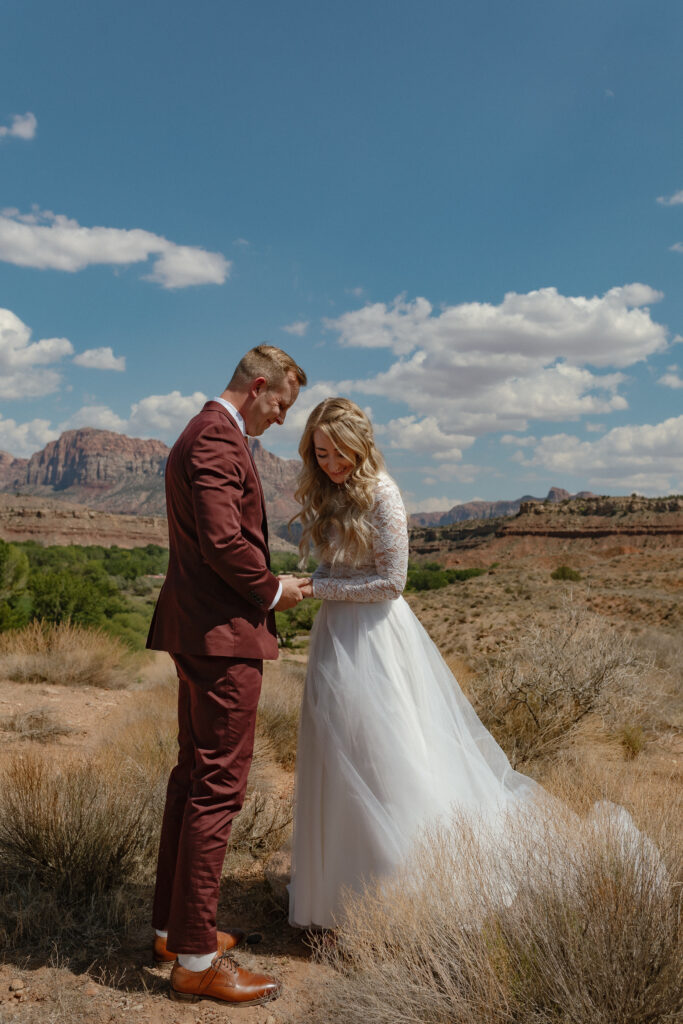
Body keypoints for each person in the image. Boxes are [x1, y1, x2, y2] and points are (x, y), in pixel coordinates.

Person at [288, 397, 540, 930]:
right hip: (335, 634)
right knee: (335, 752)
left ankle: (400, 891)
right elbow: (338, 566)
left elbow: (392, 582)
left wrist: (317, 587)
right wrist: (320, 586)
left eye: (337, 452)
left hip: (377, 640)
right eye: (321, 453)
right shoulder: (333, 494)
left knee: (381, 754)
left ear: (361, 442)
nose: (331, 464)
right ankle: (339, 897)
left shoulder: (384, 494)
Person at [147, 344, 307, 1006]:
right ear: (260, 385)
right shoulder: (216, 436)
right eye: (281, 404)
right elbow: (220, 539)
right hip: (221, 638)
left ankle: (173, 928)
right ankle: (195, 962)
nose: (281, 418)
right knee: (217, 789)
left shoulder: (200, 431)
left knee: (191, 781)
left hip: (197, 630)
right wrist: (273, 591)